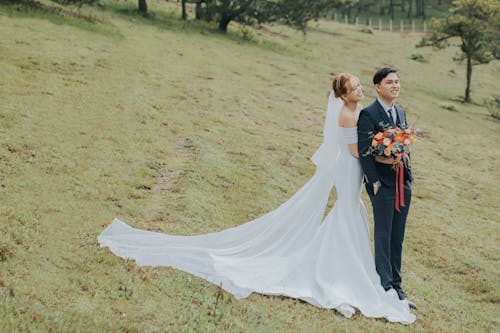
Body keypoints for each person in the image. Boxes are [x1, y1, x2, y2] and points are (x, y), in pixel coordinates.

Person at [98, 73, 416, 324]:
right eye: (355, 87)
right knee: (348, 211)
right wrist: (377, 153)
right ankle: (343, 271)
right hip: (349, 168)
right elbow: (352, 150)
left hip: (352, 169)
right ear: (343, 95)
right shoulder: (348, 115)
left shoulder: (355, 109)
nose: (360, 90)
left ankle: (354, 267)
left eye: (361, 86)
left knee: (350, 212)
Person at [357, 67, 416, 309]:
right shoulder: (368, 114)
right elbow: (364, 150)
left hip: (403, 183)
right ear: (378, 86)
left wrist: (408, 164)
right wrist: (375, 182)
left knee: (397, 236)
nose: (395, 86)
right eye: (390, 82)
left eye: (397, 82)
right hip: (383, 185)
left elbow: (404, 142)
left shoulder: (400, 112)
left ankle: (398, 286)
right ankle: (385, 286)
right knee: (383, 235)